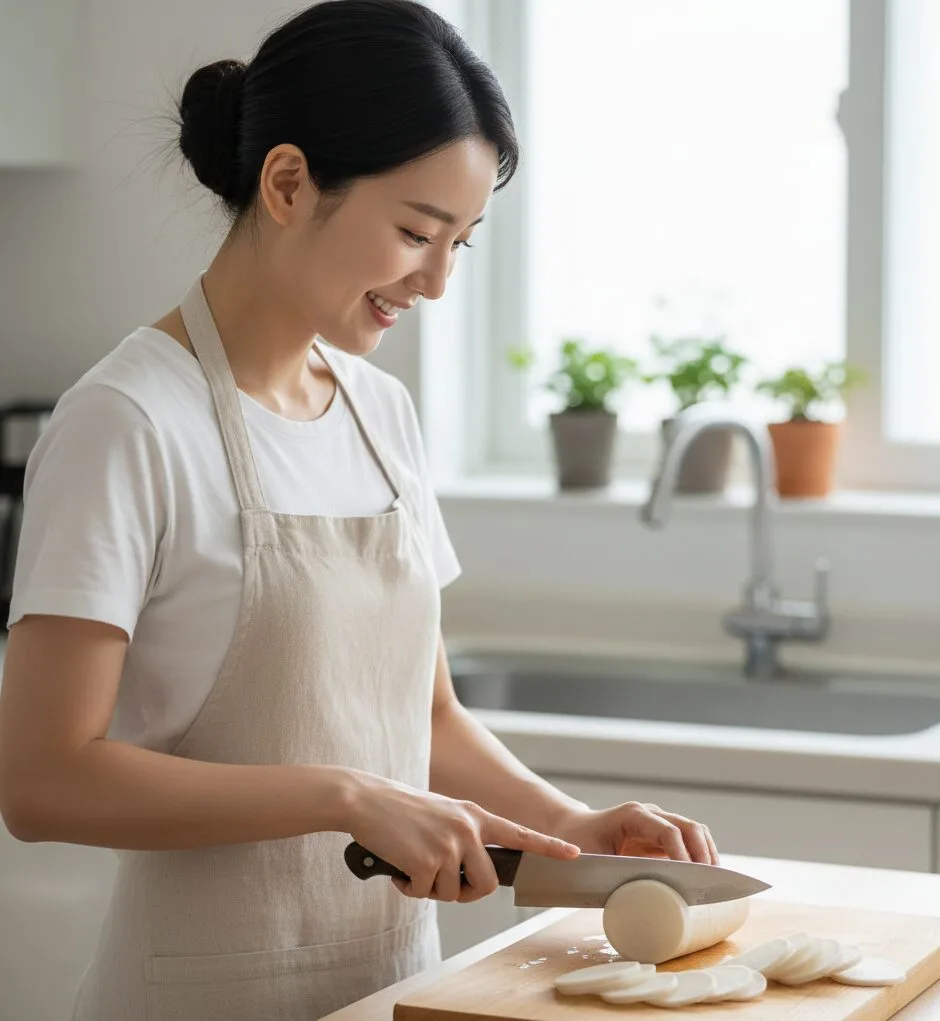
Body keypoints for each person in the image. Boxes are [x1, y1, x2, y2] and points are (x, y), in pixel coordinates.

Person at [0, 1, 719, 1018]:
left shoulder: (381, 414)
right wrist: (343, 794)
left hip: (395, 987)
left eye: (460, 244)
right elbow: (41, 781)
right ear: (288, 183)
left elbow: (421, 719)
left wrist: (574, 828)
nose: (433, 281)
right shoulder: (125, 421)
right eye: (416, 232)